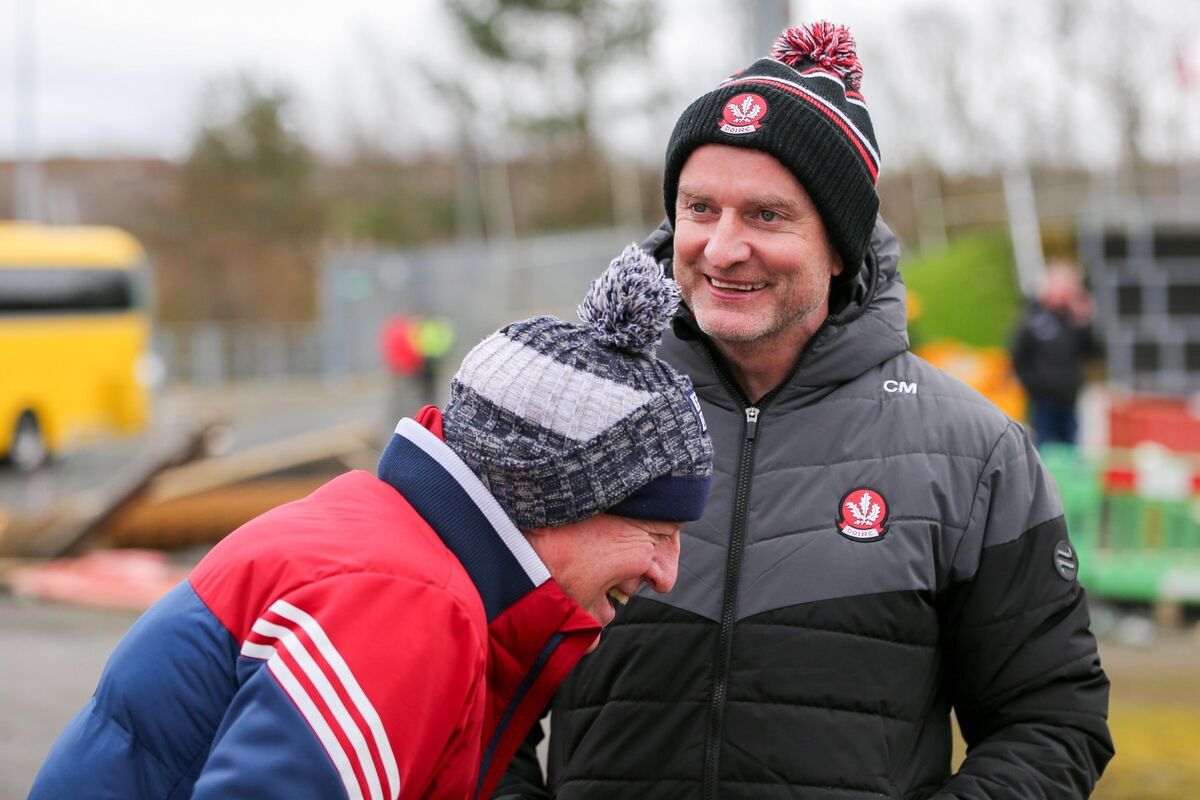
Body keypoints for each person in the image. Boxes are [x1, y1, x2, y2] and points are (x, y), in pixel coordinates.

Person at [496, 21, 1113, 800]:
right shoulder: (572, 413)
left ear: (839, 246)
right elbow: (471, 678)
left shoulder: (975, 452)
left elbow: (1052, 720)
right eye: (699, 209)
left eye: (767, 215)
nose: (722, 249)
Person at [30, 246, 713, 800]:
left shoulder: (381, 538)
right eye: (657, 533)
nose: (667, 571)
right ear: (550, 496)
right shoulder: (408, 605)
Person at [1011, 260, 1100, 446]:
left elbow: (1094, 353)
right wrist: (1034, 386)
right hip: (1042, 402)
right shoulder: (1033, 317)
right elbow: (1017, 357)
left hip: (1069, 400)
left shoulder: (1073, 319)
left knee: (1069, 450)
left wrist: (1085, 323)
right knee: (1043, 448)